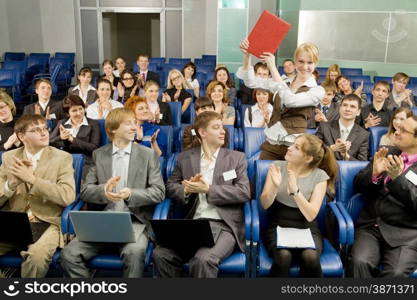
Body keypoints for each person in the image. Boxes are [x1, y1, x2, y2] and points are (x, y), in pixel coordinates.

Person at [60, 108, 165, 278]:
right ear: (113, 129)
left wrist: (131, 193)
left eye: (135, 123)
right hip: (103, 220)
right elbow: (86, 191)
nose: (134, 127)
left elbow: (158, 192)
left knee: (134, 252)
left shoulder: (148, 155)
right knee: (68, 254)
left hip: (134, 222)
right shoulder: (99, 155)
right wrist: (104, 192)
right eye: (129, 123)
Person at [153, 111, 250, 278]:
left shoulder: (236, 158)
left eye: (222, 127)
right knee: (161, 254)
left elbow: (244, 192)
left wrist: (208, 190)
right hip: (194, 225)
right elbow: (170, 186)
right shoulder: (185, 158)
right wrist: (186, 190)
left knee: (204, 259)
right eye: (216, 127)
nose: (223, 131)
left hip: (224, 225)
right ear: (202, 133)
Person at [0, 114, 75, 278]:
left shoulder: (62, 158)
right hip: (13, 221)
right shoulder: (9, 157)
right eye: (36, 130)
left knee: (36, 257)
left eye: (44, 128)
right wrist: (10, 185)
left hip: (47, 221)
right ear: (21, 136)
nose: (44, 133)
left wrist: (32, 180)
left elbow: (67, 196)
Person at [348, 115, 417, 277]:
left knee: (396, 273)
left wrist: (398, 179)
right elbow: (358, 184)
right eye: (397, 128)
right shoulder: (387, 152)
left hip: (406, 234)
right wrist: (374, 174)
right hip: (371, 227)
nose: (396, 132)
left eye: (403, 130)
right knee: (359, 262)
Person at [260, 134, 337, 277]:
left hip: (307, 227)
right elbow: (264, 204)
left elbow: (311, 215)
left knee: (310, 257)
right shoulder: (277, 167)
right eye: (292, 144)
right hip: (279, 225)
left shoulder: (320, 176)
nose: (289, 148)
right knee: (283, 256)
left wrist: (296, 191)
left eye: (296, 147)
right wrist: (275, 188)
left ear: (308, 158)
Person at [237, 39, 324, 160]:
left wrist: (272, 67)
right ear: (295, 62)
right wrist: (247, 55)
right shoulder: (284, 81)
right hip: (271, 145)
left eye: (310, 62)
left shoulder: (317, 91)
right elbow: (250, 82)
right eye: (301, 61)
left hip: (295, 149)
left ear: (316, 64)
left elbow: (291, 101)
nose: (305, 67)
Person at [49, 95, 100, 167]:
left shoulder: (93, 123)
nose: (79, 113)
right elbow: (49, 142)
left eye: (80, 109)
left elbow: (94, 148)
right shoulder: (62, 123)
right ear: (67, 113)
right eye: (74, 110)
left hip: (86, 163)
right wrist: (60, 137)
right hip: (64, 162)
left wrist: (72, 139)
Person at [316, 94, 369, 161]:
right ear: (340, 108)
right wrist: (332, 148)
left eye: (352, 106)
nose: (347, 109)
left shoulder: (363, 134)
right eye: (345, 105)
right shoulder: (324, 126)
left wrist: (346, 155)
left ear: (358, 112)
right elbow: (313, 151)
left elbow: (362, 163)